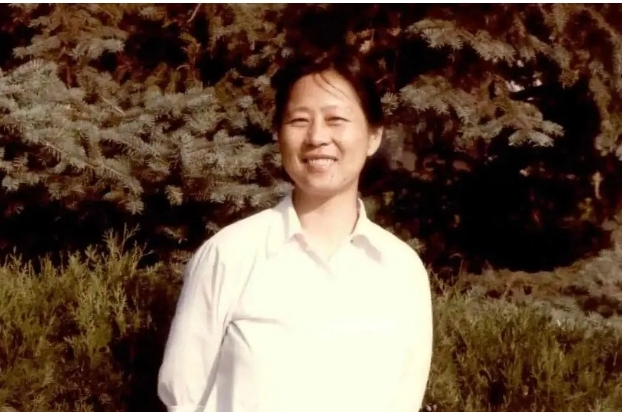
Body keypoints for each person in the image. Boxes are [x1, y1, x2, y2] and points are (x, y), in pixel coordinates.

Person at [157, 48, 434, 412]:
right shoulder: (231, 254)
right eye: (299, 120)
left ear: (373, 136)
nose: (317, 137)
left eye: (336, 119)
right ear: (279, 134)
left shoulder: (400, 270)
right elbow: (183, 397)